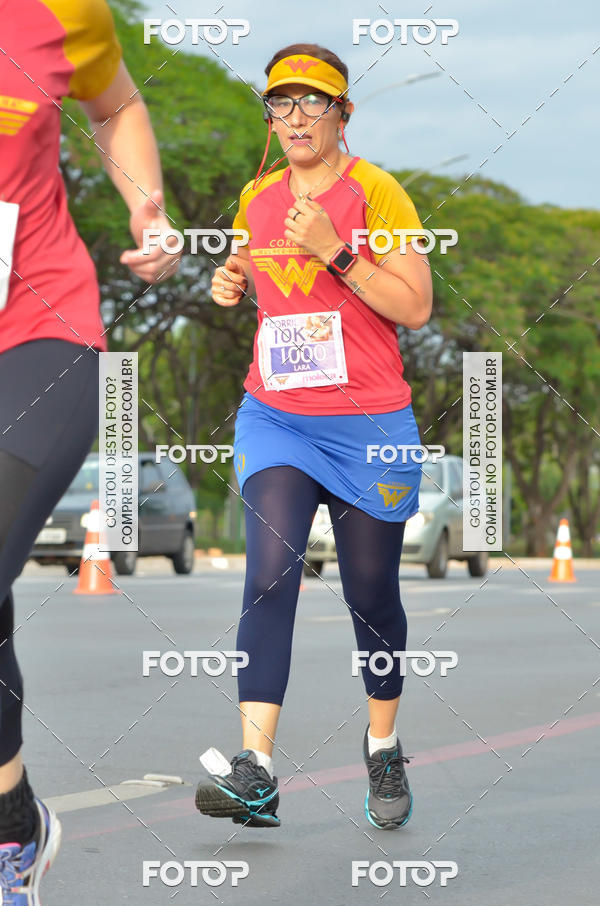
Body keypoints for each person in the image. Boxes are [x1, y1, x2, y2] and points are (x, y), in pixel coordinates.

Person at [195, 43, 432, 831]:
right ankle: (255, 770)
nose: (295, 117)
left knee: (372, 597)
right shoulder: (257, 196)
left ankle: (384, 742)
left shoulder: (379, 193)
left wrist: (336, 250)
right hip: (278, 417)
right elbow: (248, 269)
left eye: (313, 102)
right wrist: (230, 280)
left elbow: (415, 307)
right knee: (269, 573)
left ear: (343, 115)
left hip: (369, 425)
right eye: (281, 104)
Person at [0, 1, 177, 900]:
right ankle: (11, 819)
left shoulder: (58, 10)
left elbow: (116, 107)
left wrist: (146, 208)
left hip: (40, 329)